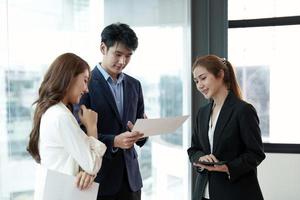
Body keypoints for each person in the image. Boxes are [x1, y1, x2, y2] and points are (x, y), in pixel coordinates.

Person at [77, 22, 147, 200]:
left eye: (128, 56)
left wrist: (143, 132)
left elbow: (139, 130)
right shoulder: (86, 84)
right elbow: (79, 134)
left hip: (131, 180)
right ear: (103, 48)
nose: (122, 61)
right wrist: (114, 141)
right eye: (118, 54)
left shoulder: (134, 85)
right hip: (100, 179)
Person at [27, 53, 107, 197]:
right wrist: (92, 126)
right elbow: (93, 164)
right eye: (85, 80)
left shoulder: (53, 112)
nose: (86, 89)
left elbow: (84, 163)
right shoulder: (61, 117)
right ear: (70, 77)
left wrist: (87, 172)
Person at [187, 54, 265, 200]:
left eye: (203, 78)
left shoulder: (243, 110)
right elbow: (193, 149)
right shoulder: (202, 113)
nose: (199, 85)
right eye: (196, 81)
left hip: (235, 192)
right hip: (203, 193)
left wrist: (227, 167)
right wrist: (201, 158)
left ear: (220, 74)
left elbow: (256, 153)